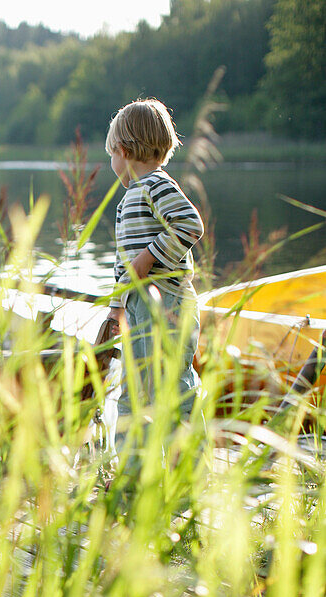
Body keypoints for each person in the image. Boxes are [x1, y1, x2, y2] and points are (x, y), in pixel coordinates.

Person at [101, 98, 204, 457]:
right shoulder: (129, 199)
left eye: (112, 154)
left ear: (125, 151)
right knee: (133, 392)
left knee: (174, 388)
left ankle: (189, 474)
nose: (112, 163)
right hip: (138, 310)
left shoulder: (154, 185)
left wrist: (147, 259)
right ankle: (133, 477)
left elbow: (190, 225)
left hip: (169, 306)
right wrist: (117, 308)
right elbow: (122, 266)